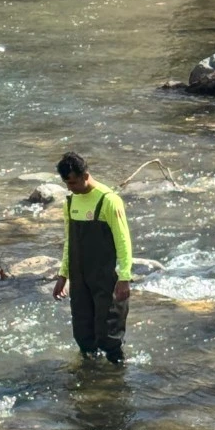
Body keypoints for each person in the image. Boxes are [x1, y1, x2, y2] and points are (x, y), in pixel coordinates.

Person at [52, 152, 133, 365]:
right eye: (66, 183)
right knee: (83, 333)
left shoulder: (109, 201)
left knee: (108, 332)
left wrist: (124, 277)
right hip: (80, 279)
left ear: (85, 175)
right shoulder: (70, 203)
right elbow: (69, 241)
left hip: (105, 277)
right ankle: (89, 377)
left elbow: (123, 241)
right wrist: (63, 275)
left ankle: (116, 375)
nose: (70, 188)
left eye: (73, 182)